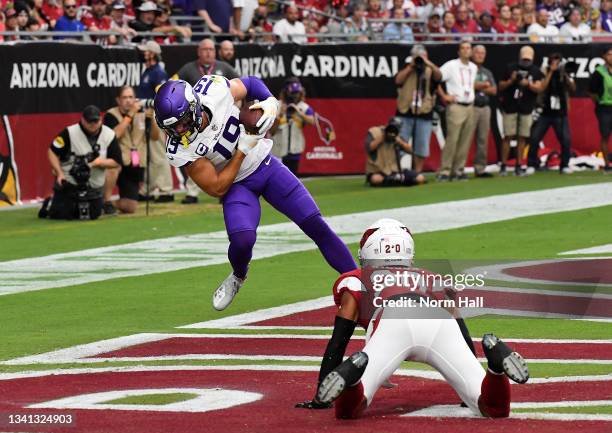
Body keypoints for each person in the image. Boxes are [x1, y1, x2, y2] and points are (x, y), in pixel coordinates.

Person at [154, 76, 357, 310]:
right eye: (171, 127)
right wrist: (242, 149)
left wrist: (270, 101)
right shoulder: (178, 148)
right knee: (242, 241)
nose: (178, 130)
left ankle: (357, 282)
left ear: (195, 106)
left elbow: (250, 83)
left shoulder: (214, 90)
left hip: (266, 166)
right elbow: (217, 187)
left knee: (315, 224)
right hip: (237, 185)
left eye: (182, 121)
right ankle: (238, 275)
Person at [296, 219, 528, 416]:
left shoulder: (357, 280)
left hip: (393, 322)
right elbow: (460, 328)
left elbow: (339, 340)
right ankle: (496, 367)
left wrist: (321, 396)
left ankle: (355, 378)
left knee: (350, 410)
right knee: (493, 408)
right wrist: (469, 372)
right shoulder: (430, 278)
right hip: (438, 322)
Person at [174, 38, 239, 204]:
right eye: (205, 49)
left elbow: (238, 84)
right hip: (196, 121)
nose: (208, 52)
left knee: (222, 152)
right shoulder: (188, 69)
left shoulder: (224, 68)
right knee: (196, 154)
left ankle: (227, 188)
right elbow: (173, 85)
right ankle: (192, 192)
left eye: (211, 49)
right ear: (198, 51)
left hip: (221, 118)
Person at [41, 105, 121, 220]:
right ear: (82, 119)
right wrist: (59, 173)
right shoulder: (69, 132)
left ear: (101, 119)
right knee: (62, 215)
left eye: (95, 121)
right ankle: (51, 203)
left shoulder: (109, 134)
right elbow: (52, 151)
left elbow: (116, 162)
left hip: (94, 185)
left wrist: (99, 162)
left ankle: (103, 202)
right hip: (71, 182)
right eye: (89, 121)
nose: (93, 124)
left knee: (93, 215)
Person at [103, 86, 160, 214]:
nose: (128, 101)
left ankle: (105, 204)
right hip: (117, 162)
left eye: (131, 97)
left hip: (135, 163)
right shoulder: (110, 115)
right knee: (113, 168)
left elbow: (155, 137)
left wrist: (153, 119)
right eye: (124, 97)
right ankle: (106, 201)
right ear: (118, 100)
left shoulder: (142, 113)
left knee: (130, 207)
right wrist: (130, 114)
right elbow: (113, 136)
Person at [394, 44, 442, 173]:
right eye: (418, 56)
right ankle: (395, 170)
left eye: (423, 56)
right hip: (405, 111)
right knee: (399, 143)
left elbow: (439, 77)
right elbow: (397, 80)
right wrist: (411, 66)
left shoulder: (430, 69)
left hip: (424, 111)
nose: (421, 59)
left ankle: (417, 172)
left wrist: (428, 63)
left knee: (421, 146)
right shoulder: (406, 66)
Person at [136, 40, 174, 202]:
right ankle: (148, 189)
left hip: (154, 115)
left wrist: (143, 103)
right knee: (149, 154)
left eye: (146, 51)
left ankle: (166, 190)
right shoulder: (149, 71)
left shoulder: (158, 73)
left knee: (157, 153)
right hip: (145, 115)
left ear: (152, 53)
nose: (143, 53)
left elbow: (163, 98)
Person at [498, 46, 544, 176]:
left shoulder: (535, 71)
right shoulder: (510, 67)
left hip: (526, 107)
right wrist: (511, 81)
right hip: (510, 106)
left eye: (528, 59)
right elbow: (500, 86)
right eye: (524, 59)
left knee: (522, 137)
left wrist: (528, 84)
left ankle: (519, 164)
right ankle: (504, 165)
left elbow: (539, 88)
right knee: (508, 135)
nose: (526, 62)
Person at [527, 53, 576, 174]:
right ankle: (532, 164)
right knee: (534, 138)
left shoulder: (565, 73)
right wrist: (551, 72)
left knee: (565, 139)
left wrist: (564, 74)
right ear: (549, 62)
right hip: (545, 112)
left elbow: (573, 88)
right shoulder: (543, 71)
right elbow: (541, 88)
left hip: (560, 113)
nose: (556, 65)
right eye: (553, 62)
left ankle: (564, 165)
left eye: (558, 62)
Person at [437, 41, 478, 181]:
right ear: (458, 51)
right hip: (456, 106)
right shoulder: (451, 65)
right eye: (463, 48)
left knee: (465, 141)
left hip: (470, 105)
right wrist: (444, 96)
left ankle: (458, 170)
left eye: (468, 48)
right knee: (452, 139)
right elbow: (436, 78)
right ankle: (445, 170)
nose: (466, 51)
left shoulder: (473, 67)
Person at [270, 78, 315, 175]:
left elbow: (312, 121)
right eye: (292, 92)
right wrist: (280, 114)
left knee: (293, 178)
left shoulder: (304, 107)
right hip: (278, 151)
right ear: (285, 91)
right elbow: (271, 131)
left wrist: (299, 112)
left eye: (297, 92)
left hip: (295, 150)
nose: (295, 95)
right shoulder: (276, 105)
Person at [364, 117, 426, 187]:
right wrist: (382, 138)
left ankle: (393, 180)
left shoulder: (398, 137)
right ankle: (396, 181)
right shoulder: (374, 132)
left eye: (395, 129)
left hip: (394, 170)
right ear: (387, 125)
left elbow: (410, 150)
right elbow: (369, 148)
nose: (392, 133)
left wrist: (401, 143)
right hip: (378, 170)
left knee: (420, 178)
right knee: (375, 179)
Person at [472, 45, 497, 178]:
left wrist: (478, 87)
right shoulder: (468, 69)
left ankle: (480, 168)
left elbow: (494, 90)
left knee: (483, 139)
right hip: (471, 106)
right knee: (464, 138)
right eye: (478, 53)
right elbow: (467, 85)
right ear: (472, 54)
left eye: (483, 53)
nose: (480, 55)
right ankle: (456, 169)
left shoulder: (487, 72)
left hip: (485, 107)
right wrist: (483, 85)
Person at [589, 46, 612, 172]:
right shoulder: (599, 72)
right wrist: (599, 102)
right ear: (604, 56)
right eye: (609, 54)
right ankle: (607, 164)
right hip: (604, 108)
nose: (611, 57)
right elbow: (591, 92)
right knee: (605, 135)